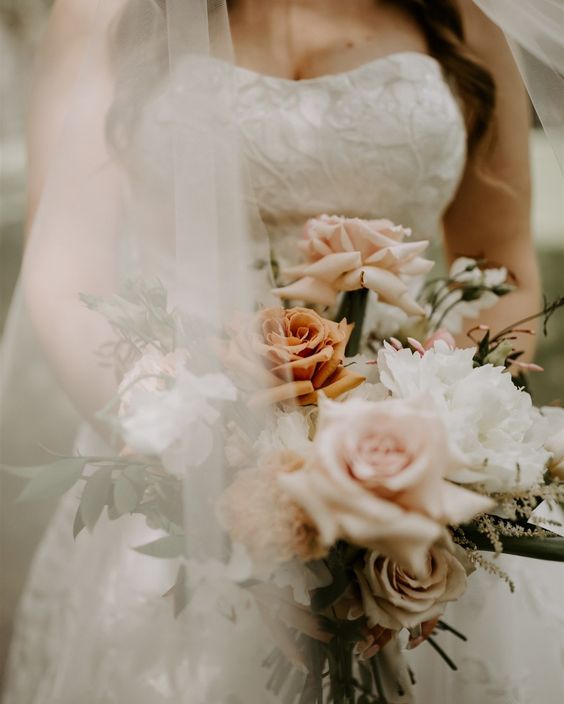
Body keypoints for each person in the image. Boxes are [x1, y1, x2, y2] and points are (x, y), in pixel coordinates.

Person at [1, 1, 562, 702]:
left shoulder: (468, 13)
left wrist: (447, 437)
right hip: (180, 463)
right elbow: (67, 274)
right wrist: (189, 444)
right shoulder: (103, 12)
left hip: (414, 473)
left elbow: (499, 265)